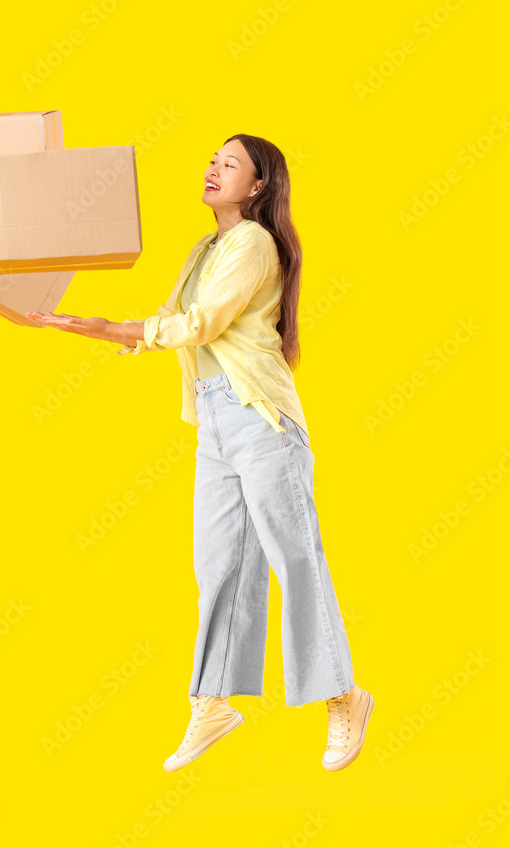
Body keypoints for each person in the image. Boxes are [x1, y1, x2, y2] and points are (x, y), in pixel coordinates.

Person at [26, 133, 374, 774]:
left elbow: (201, 325)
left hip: (260, 418)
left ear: (260, 184)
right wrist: (93, 327)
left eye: (229, 164)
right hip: (213, 422)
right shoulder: (204, 249)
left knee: (294, 558)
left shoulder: (253, 244)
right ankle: (214, 703)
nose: (212, 170)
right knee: (220, 564)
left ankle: (344, 697)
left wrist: (110, 329)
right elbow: (169, 318)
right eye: (210, 160)